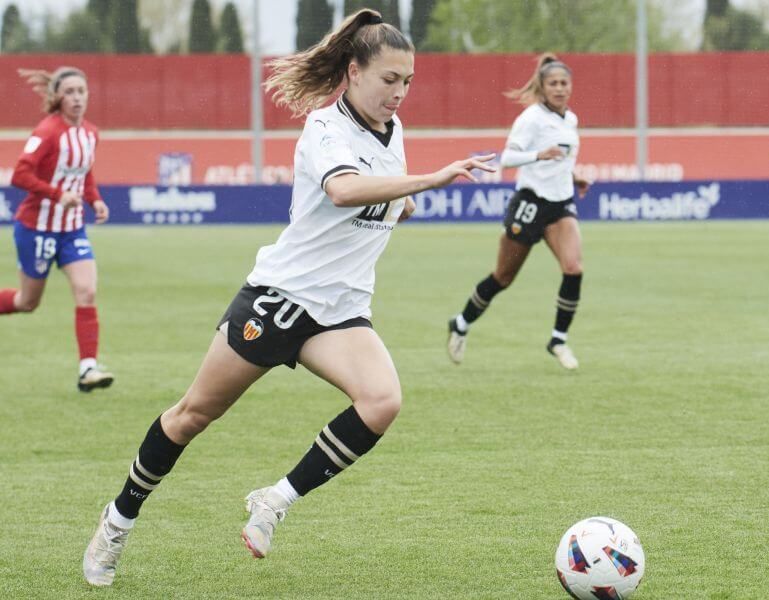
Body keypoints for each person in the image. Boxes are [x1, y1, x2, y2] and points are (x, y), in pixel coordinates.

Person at [81, 9, 495, 587]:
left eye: (407, 81)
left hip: (341, 311)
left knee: (381, 402)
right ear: (354, 72)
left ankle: (274, 500)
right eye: (389, 79)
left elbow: (380, 195)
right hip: (279, 299)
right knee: (192, 415)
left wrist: (401, 202)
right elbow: (343, 189)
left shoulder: (392, 130)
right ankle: (118, 519)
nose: (399, 92)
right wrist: (429, 180)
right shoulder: (325, 127)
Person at [446, 54, 588, 370]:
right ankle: (461, 322)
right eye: (553, 83)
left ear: (571, 86)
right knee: (503, 277)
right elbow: (508, 159)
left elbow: (562, 159)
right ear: (543, 87)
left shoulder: (571, 119)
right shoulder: (531, 118)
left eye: (564, 83)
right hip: (530, 204)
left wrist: (574, 175)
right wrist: (538, 154)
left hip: (560, 204)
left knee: (573, 267)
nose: (560, 88)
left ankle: (558, 339)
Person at [0, 67, 113, 392]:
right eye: (69, 92)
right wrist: (57, 194)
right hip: (36, 228)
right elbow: (20, 175)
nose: (77, 98)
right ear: (58, 98)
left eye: (81, 91)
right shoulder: (47, 131)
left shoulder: (90, 133)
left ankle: (88, 369)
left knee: (87, 290)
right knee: (27, 302)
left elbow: (84, 173)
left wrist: (95, 200)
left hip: (71, 230)